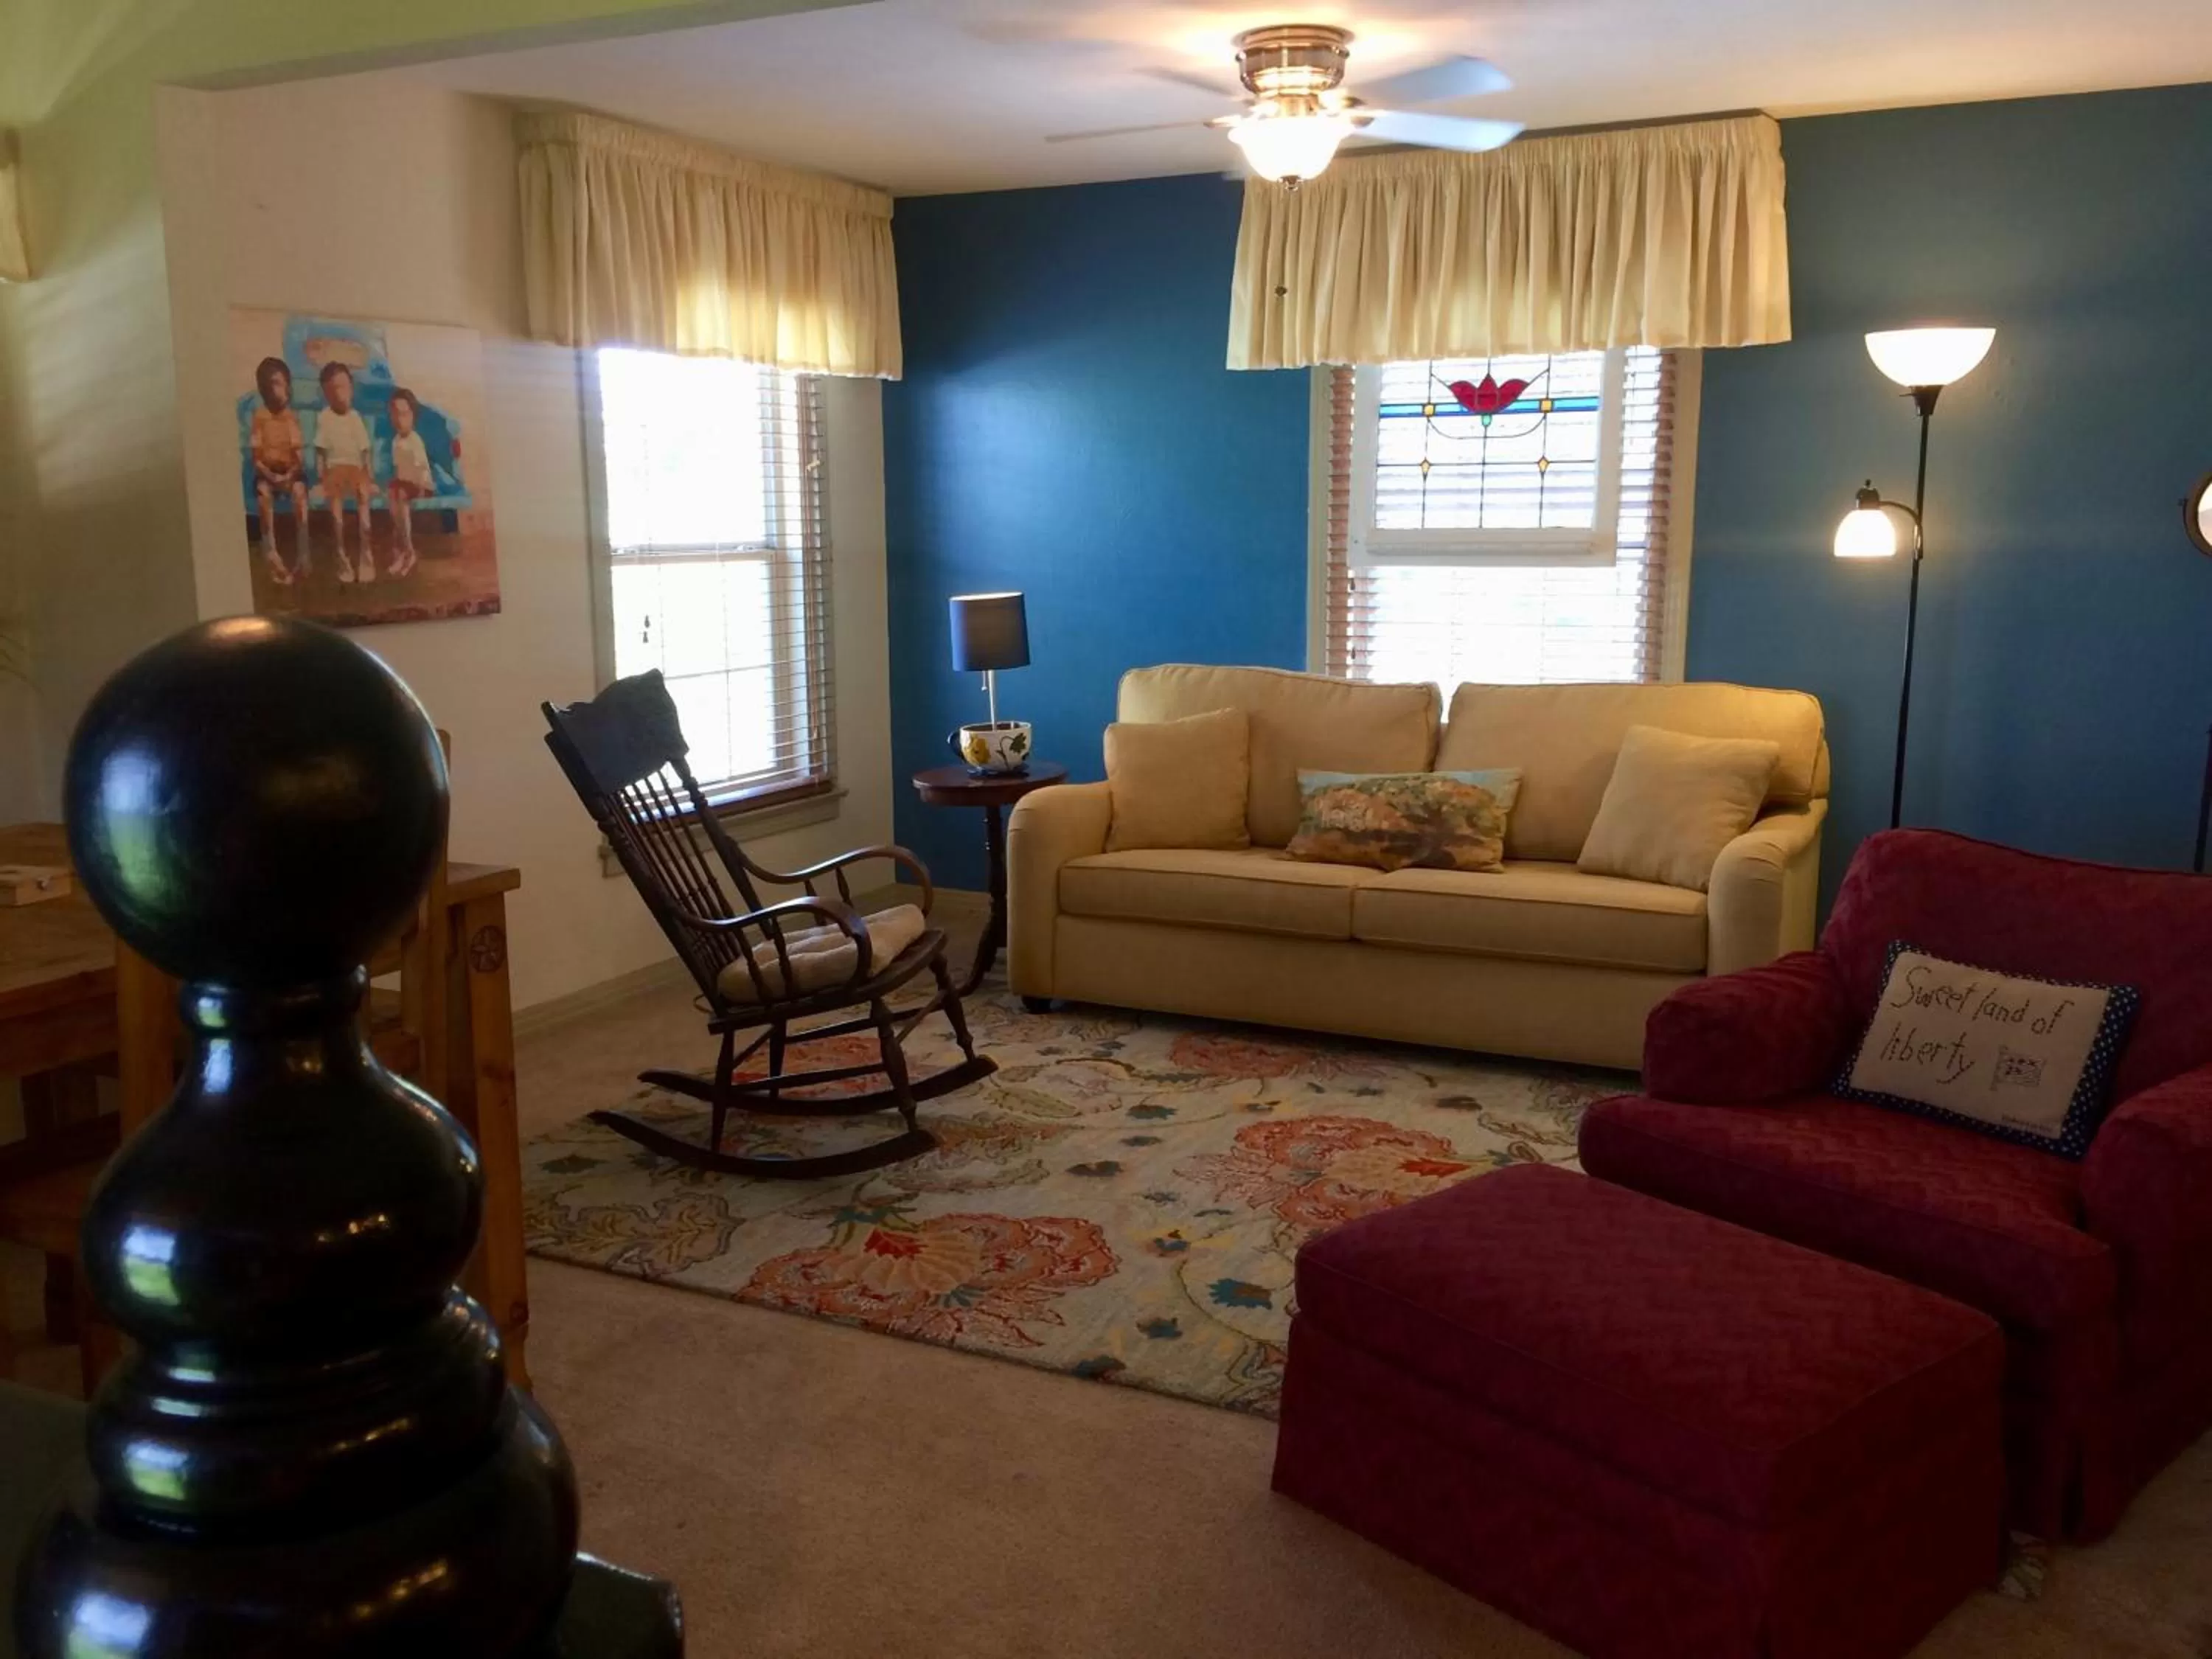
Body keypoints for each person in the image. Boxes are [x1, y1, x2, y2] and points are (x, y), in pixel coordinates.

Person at [315, 362, 377, 585]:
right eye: (333, 389)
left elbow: (365, 451)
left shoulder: (355, 418)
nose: (339, 394)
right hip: (334, 470)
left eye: (343, 387)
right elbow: (320, 451)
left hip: (355, 469)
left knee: (363, 498)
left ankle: (366, 556)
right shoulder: (325, 417)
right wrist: (321, 478)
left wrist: (370, 477)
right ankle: (342, 557)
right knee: (336, 512)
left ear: (351, 389)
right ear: (326, 393)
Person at [248, 357, 308, 585]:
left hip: (291, 471)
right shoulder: (260, 417)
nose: (275, 390)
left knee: (300, 493)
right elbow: (257, 458)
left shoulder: (292, 418)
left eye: (279, 383)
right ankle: (271, 552)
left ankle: (303, 554)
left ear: (287, 386)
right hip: (267, 472)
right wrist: (271, 476)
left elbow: (299, 458)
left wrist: (288, 476)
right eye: (270, 385)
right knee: (263, 495)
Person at [386, 387, 431, 580]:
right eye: (395, 414)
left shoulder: (415, 441)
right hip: (404, 485)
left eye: (404, 414)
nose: (399, 419)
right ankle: (401, 552)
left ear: (413, 416)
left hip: (421, 485)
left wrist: (418, 486)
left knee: (400, 495)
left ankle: (409, 551)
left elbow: (421, 470)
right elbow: (398, 469)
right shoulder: (396, 441)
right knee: (393, 496)